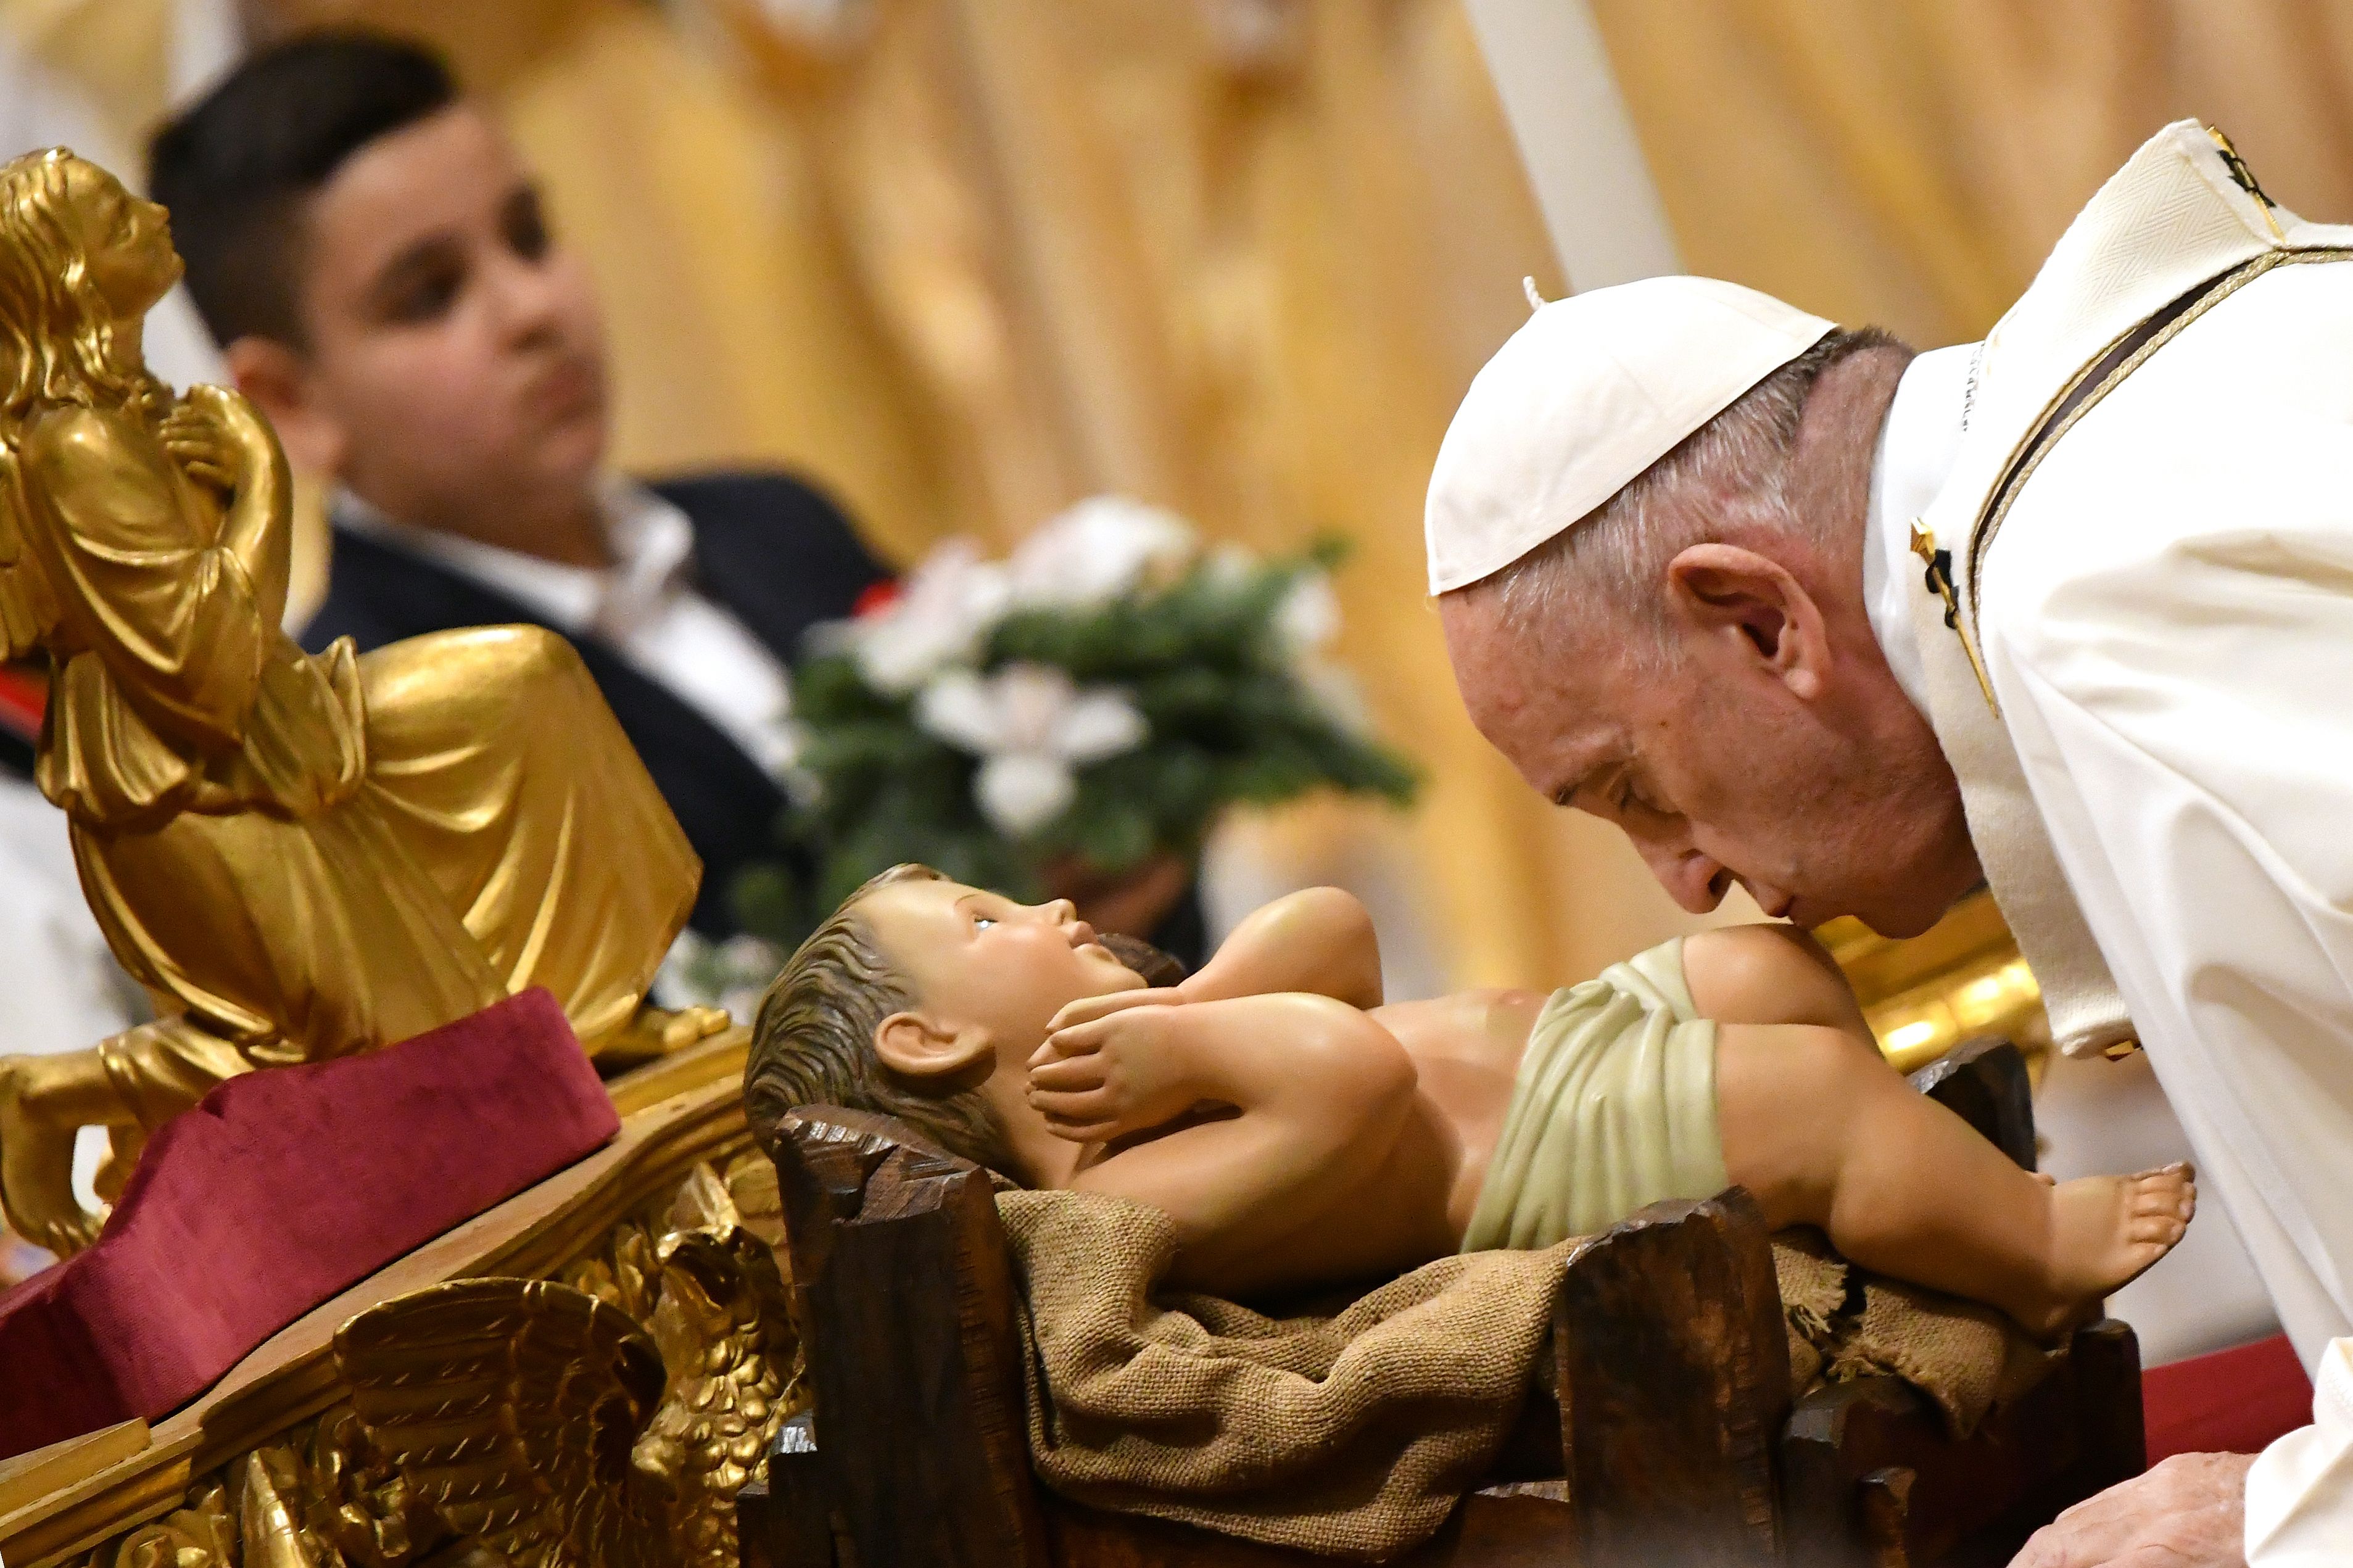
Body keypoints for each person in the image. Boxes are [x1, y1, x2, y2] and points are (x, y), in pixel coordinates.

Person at [1422, 122, 2353, 1566]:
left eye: (1630, 786)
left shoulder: (2100, 606)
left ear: (1756, 619)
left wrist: (2279, 1527)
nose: (1684, 881)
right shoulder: (2157, 440)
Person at [0, 150, 710, 1254]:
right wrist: (267, 477)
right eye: (113, 218)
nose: (146, 215)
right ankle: (47, 1095)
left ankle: (593, 1014)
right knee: (364, 1053)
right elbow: (203, 667)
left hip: (275, 726)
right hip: (191, 789)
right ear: (69, 272)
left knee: (526, 683)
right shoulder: (76, 448)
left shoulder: (124, 406)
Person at [744, 867, 2193, 1334]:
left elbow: (1333, 932)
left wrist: (1183, 1010)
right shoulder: (1110, 1194)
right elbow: (1353, 1076)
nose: (1050, 899)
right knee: (1808, 1094)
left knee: (1761, 966)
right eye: (992, 922)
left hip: (1565, 1039)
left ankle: (1900, 1204)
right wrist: (1196, 1056)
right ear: (932, 1041)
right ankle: (2028, 1244)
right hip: (1536, 1159)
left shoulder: (1148, 1037)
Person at [143, 31, 886, 940]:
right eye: (430, 295)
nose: (534, 309)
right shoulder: (359, 742)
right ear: (290, 402)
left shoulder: (776, 519)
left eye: (529, 236)